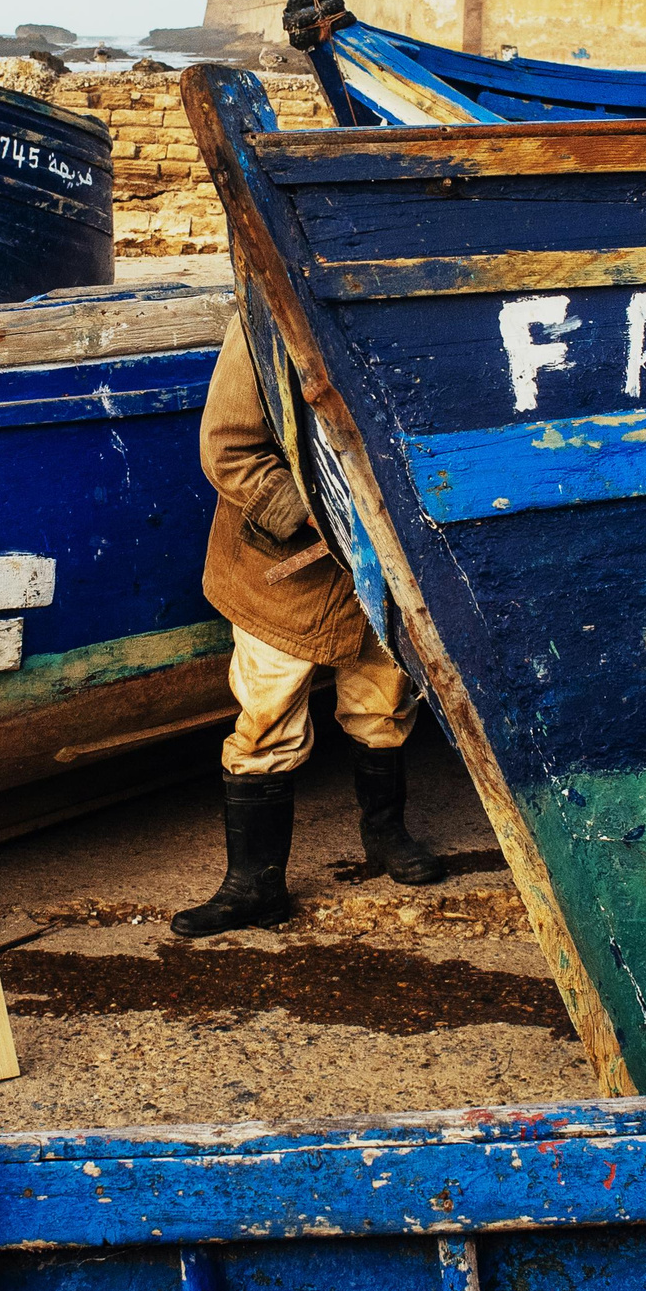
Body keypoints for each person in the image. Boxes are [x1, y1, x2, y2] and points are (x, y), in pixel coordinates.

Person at [173, 315, 443, 937]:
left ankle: (385, 834)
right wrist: (312, 511)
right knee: (266, 717)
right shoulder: (266, 317)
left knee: (384, 703)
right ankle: (254, 886)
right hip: (284, 572)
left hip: (388, 562)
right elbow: (229, 446)